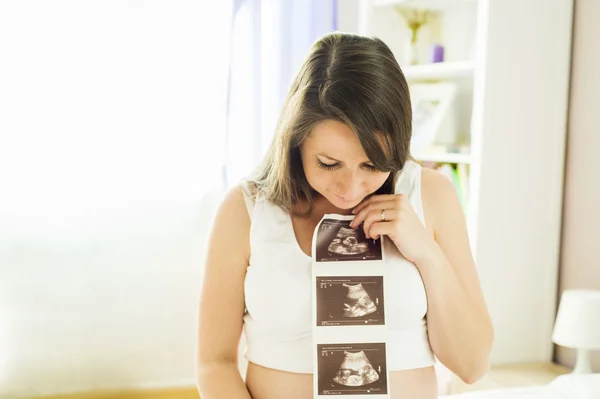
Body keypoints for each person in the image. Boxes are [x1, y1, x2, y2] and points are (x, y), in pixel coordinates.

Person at [195, 32, 494, 399]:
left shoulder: (431, 195)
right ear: (295, 140)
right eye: (329, 163)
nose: (350, 189)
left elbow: (472, 364)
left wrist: (427, 254)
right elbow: (214, 363)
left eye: (372, 165)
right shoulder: (245, 211)